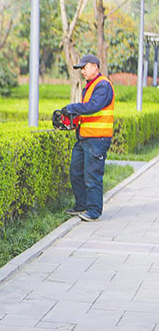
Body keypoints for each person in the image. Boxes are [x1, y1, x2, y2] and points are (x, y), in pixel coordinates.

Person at [61, 54, 114, 222]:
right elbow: (89, 111)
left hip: (97, 139)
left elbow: (93, 106)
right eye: (80, 69)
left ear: (95, 67)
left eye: (84, 67)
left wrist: (73, 108)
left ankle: (94, 211)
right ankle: (82, 204)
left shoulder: (103, 85)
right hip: (84, 137)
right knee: (76, 172)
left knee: (92, 175)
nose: (82, 71)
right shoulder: (90, 86)